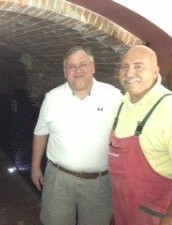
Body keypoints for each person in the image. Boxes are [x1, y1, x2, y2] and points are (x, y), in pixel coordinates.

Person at [31, 46, 122, 225]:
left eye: (83, 65)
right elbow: (40, 133)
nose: (78, 70)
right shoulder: (52, 98)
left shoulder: (113, 96)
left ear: (93, 67)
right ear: (65, 72)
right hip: (59, 179)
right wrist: (35, 167)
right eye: (71, 67)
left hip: (99, 181)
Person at [109, 45, 172, 225]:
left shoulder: (168, 109)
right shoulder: (121, 103)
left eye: (138, 66)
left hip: (155, 216)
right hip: (124, 210)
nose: (129, 73)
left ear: (155, 71)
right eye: (124, 66)